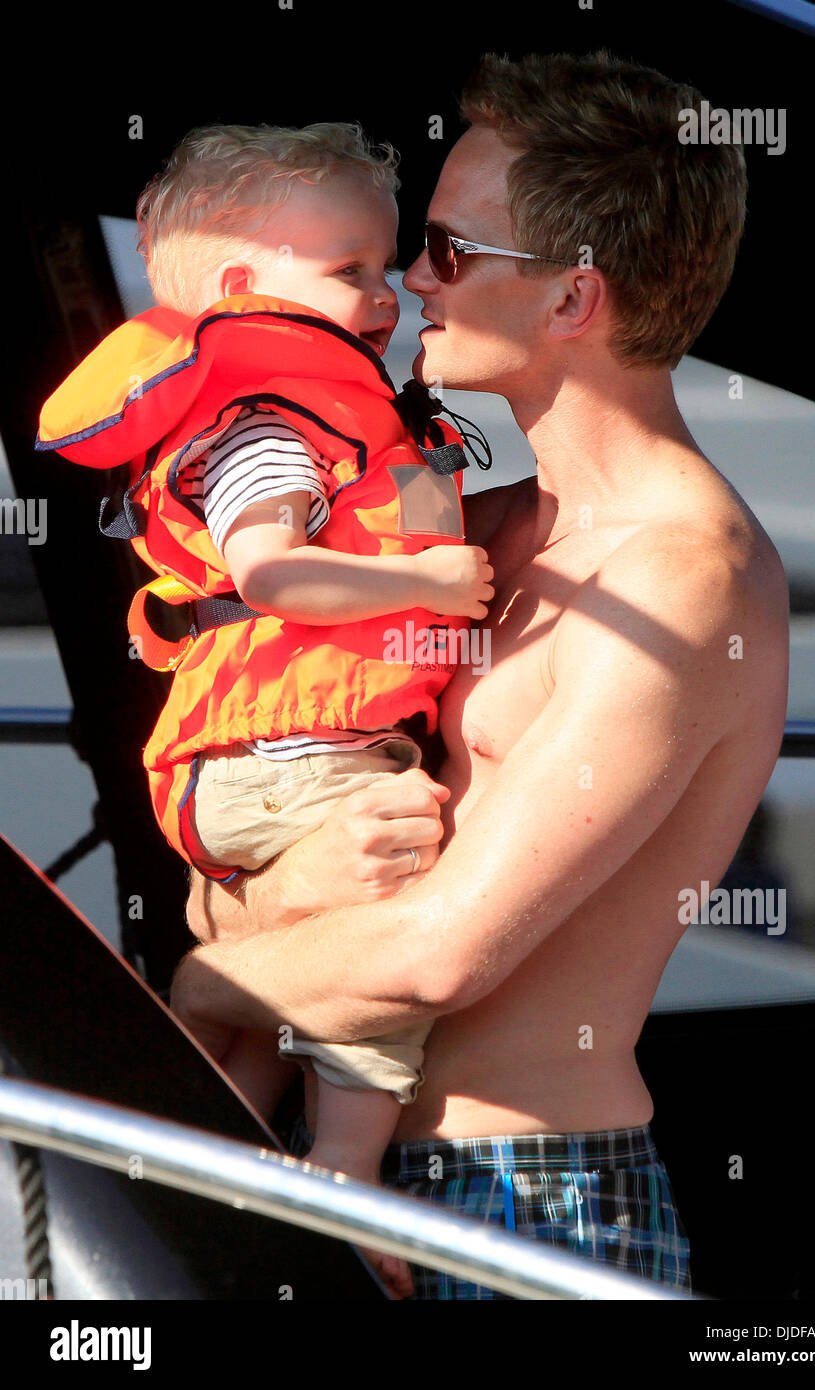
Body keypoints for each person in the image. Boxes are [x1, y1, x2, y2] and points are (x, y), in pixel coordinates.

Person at [171, 50, 790, 1300]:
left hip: (531, 1202)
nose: (407, 277)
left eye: (450, 253)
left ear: (571, 299)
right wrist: (261, 892)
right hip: (370, 1171)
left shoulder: (683, 580)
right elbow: (262, 836)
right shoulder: (486, 525)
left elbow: (449, 955)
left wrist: (195, 977)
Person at [36, 122, 496, 1253]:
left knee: (249, 1032)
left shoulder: (300, 406)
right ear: (243, 286)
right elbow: (266, 571)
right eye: (351, 272)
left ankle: (186, 1201)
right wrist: (428, 571)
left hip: (236, 765)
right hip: (298, 755)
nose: (387, 297)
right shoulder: (268, 420)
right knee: (378, 943)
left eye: (388, 269)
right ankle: (345, 1187)